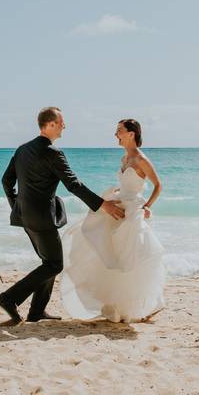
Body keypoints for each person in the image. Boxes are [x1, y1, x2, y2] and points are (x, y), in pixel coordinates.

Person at [0, 107, 124, 324]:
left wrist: (17, 205)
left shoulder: (22, 149)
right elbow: (73, 184)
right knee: (54, 265)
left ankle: (36, 312)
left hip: (25, 216)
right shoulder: (53, 152)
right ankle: (9, 298)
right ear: (51, 124)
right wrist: (102, 205)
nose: (64, 126)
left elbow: (6, 181)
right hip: (42, 217)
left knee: (49, 262)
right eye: (62, 122)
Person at [60, 118, 165, 322]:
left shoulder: (141, 159)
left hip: (133, 212)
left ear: (131, 134)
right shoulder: (124, 158)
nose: (115, 135)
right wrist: (119, 191)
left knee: (131, 259)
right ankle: (118, 304)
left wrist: (147, 207)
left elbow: (158, 185)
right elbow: (127, 184)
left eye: (119, 131)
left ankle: (144, 304)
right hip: (120, 207)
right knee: (111, 253)